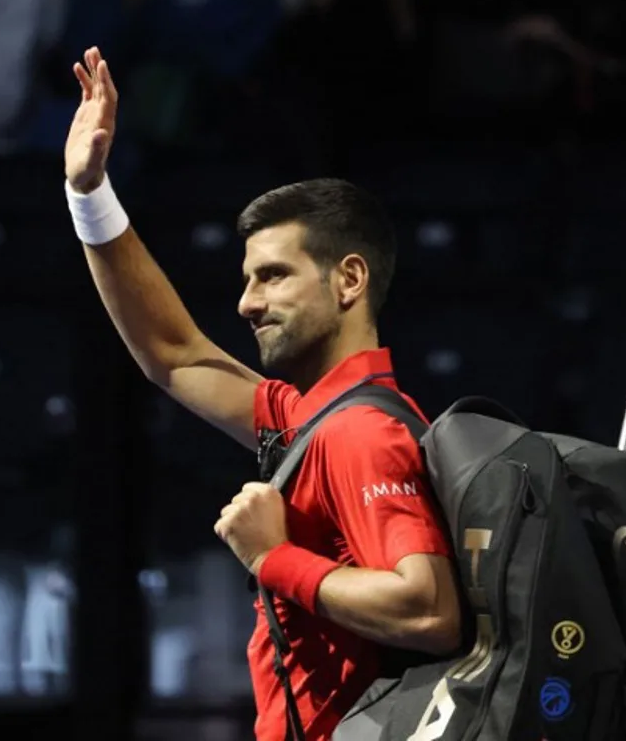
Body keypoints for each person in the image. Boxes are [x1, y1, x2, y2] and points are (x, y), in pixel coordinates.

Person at [61, 46, 462, 741]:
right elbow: (175, 355)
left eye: (273, 276)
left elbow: (428, 609)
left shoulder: (360, 434)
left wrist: (272, 558)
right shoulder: (314, 420)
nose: (247, 303)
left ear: (349, 280)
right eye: (247, 279)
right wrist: (90, 194)